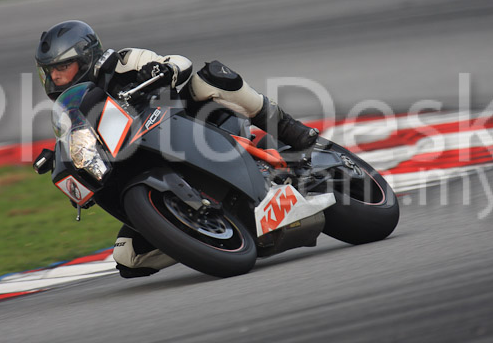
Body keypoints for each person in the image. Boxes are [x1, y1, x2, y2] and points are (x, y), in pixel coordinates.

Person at [35, 20, 319, 278]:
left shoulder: (122, 62)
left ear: (85, 58)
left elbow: (180, 62)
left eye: (62, 67)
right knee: (128, 257)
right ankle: (198, 237)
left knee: (211, 78)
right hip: (138, 161)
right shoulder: (71, 109)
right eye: (50, 71)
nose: (55, 77)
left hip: (184, 120)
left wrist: (163, 69)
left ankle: (287, 127)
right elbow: (79, 140)